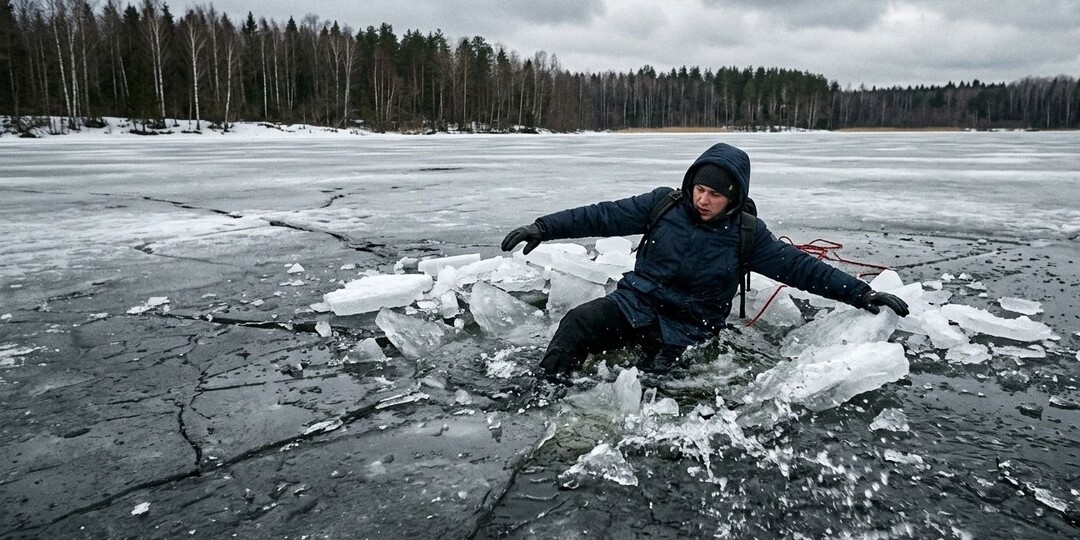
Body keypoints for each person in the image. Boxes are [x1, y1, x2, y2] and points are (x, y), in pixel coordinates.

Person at [501, 142, 908, 380]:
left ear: (733, 196)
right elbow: (602, 215)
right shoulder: (663, 204)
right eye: (699, 188)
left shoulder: (749, 235)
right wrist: (542, 228)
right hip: (635, 304)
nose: (703, 199)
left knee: (654, 381)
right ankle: (546, 391)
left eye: (715, 194)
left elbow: (801, 269)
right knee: (578, 323)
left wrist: (862, 293)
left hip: (689, 327)